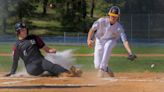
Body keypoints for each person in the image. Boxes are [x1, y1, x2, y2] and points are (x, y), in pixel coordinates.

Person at [5, 22, 82, 77]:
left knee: (53, 66)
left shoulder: (34, 38)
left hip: (41, 61)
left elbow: (46, 48)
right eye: (22, 30)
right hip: (31, 67)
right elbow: (15, 61)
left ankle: (70, 73)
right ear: (17, 32)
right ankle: (53, 73)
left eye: (25, 29)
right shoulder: (16, 46)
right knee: (47, 67)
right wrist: (12, 72)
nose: (24, 31)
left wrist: (50, 50)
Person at [87, 6, 136, 77]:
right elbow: (92, 29)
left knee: (108, 45)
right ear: (109, 15)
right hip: (99, 41)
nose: (113, 17)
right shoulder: (101, 21)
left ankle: (102, 69)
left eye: (115, 16)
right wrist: (89, 40)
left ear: (118, 17)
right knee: (97, 65)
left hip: (111, 40)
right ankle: (107, 69)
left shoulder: (119, 27)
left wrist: (130, 52)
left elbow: (125, 41)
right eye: (112, 15)